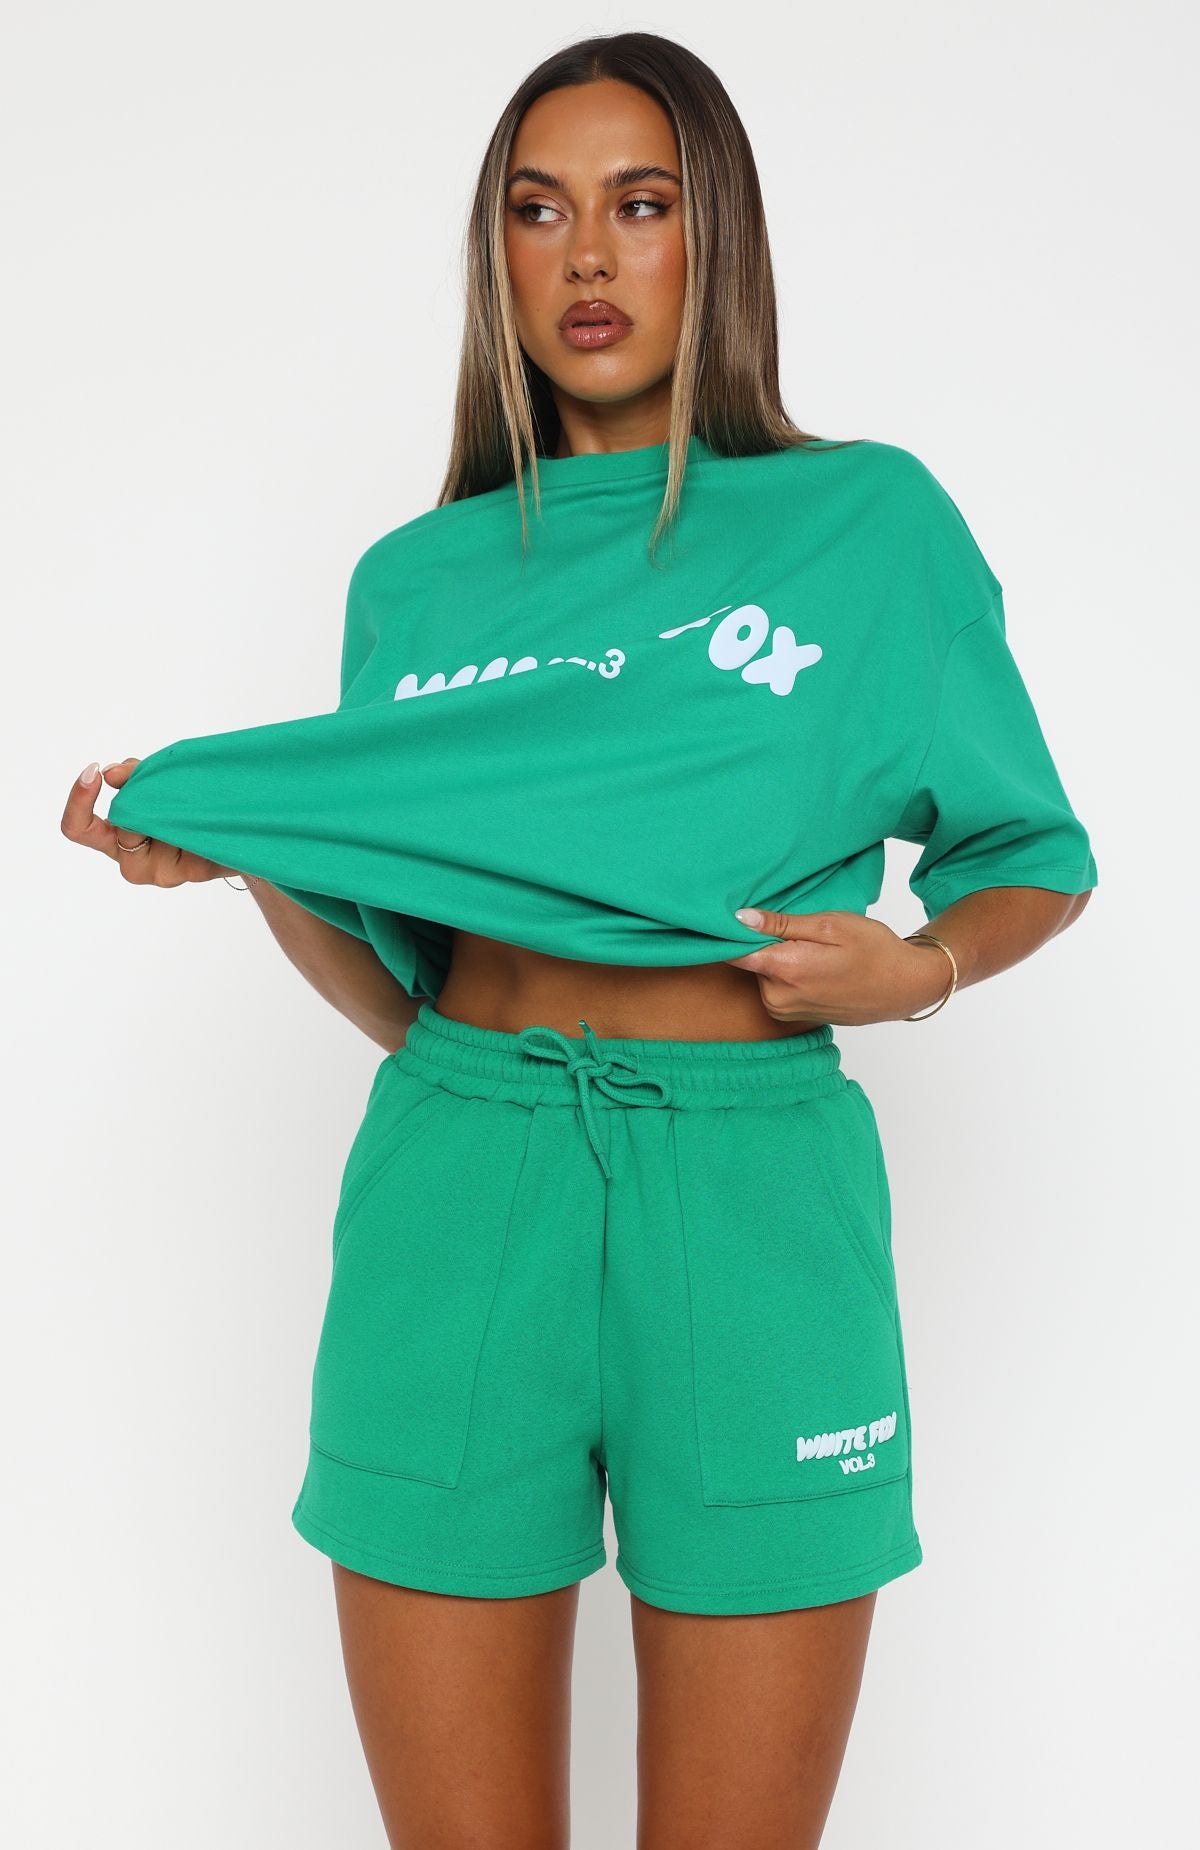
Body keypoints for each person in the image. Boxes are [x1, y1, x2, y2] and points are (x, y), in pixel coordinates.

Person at [61, 31, 1098, 1850]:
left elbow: (1035, 851)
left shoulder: (870, 525)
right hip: (464, 1178)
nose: (590, 257)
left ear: (719, 239)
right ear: (499, 256)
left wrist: (917, 968)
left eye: (642, 204)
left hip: (755, 1201)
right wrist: (251, 853)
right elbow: (404, 989)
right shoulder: (418, 578)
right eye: (540, 213)